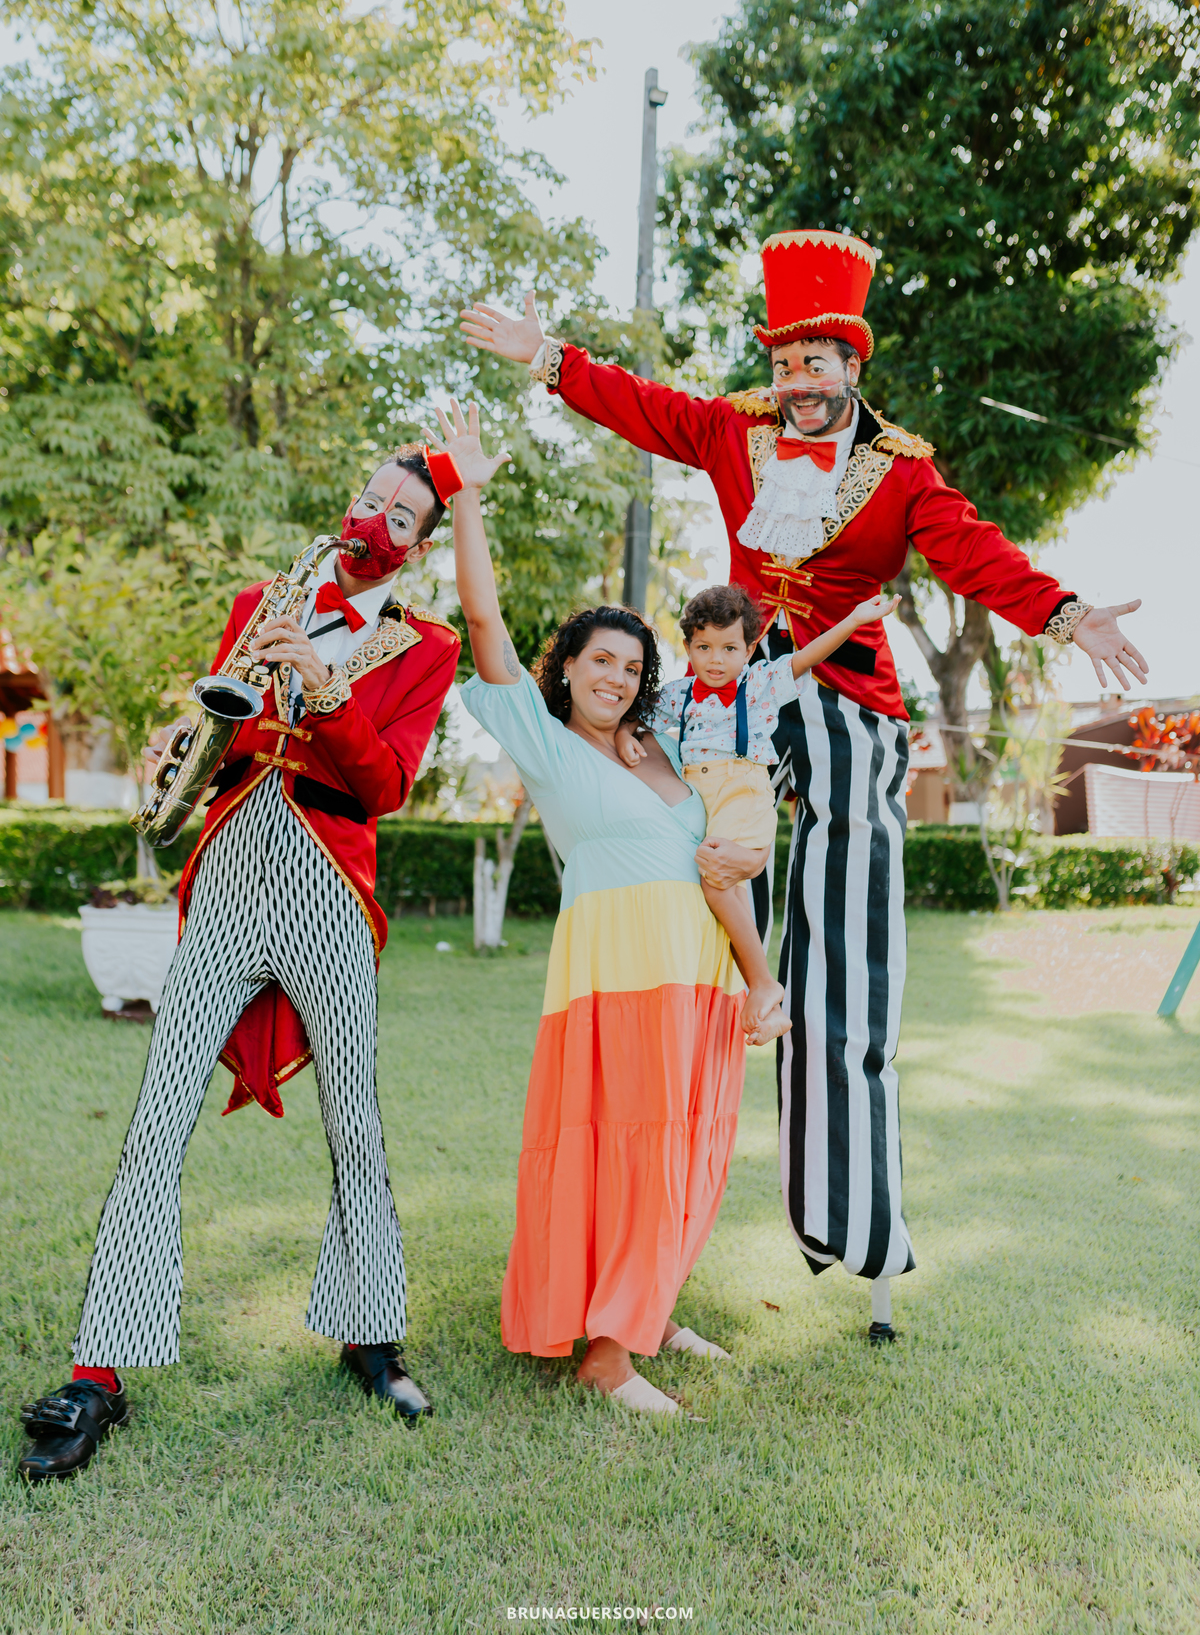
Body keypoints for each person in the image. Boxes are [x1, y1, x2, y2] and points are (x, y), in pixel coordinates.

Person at [461, 229, 1148, 1340]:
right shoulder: (735, 431)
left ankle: (851, 1213)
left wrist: (1064, 614)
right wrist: (549, 356)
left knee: (847, 964)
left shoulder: (903, 472)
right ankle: (655, 1210)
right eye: (784, 360)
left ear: (853, 366)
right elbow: (639, 405)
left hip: (845, 706)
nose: (798, 380)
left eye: (817, 361)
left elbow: (974, 551)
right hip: (734, 702)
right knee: (694, 898)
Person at [17, 444, 463, 1484]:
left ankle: (370, 1336)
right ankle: (97, 1375)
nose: (374, 518)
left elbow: (388, 783)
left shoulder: (428, 644)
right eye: (369, 497)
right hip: (229, 862)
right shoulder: (268, 595)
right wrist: (186, 734)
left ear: (422, 543)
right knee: (157, 1114)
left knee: (356, 1119)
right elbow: (226, 713)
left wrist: (326, 687)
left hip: (331, 873)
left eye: (401, 514)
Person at [436, 397, 745, 1416]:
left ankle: (647, 1305)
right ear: (565, 667)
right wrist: (466, 495)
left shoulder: (664, 747)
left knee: (691, 1142)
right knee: (634, 1143)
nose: (619, 676)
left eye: (633, 665)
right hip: (619, 967)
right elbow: (481, 620)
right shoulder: (543, 737)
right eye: (601, 660)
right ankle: (606, 1350)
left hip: (701, 966)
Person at [615, 581, 898, 1045]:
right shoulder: (679, 693)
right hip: (701, 798)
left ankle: (764, 983)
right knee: (732, 902)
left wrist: (853, 620)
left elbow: (809, 656)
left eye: (729, 648)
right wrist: (627, 731)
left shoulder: (760, 684)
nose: (716, 660)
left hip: (742, 792)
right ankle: (767, 1007)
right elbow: (637, 713)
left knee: (714, 880)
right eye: (704, 647)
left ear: (749, 648)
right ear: (688, 647)